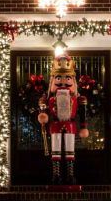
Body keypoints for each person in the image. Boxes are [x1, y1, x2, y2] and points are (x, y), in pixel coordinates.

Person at [37, 54, 89, 185]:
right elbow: (43, 111)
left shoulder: (78, 98)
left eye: (68, 78)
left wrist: (83, 126)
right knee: (55, 151)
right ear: (53, 80)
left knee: (70, 150)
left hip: (70, 125)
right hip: (55, 125)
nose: (63, 81)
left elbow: (83, 113)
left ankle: (70, 175)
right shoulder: (48, 98)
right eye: (59, 78)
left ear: (73, 81)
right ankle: (56, 175)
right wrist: (43, 115)